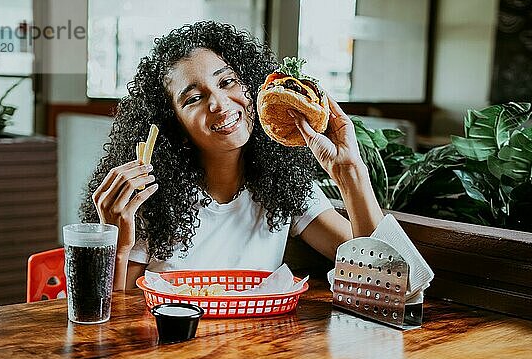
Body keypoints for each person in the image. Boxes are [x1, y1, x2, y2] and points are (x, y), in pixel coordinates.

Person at [80, 21, 383, 290]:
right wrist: (116, 244)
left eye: (227, 82)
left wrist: (350, 172)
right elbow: (113, 322)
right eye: (195, 98)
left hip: (260, 350)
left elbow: (381, 277)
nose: (220, 103)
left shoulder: (285, 187)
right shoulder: (148, 201)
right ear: (177, 127)